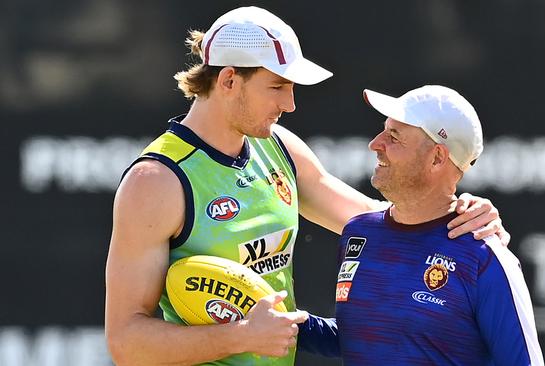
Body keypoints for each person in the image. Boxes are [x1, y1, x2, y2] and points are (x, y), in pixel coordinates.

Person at [104, 6, 511, 366]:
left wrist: (462, 217)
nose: (290, 104)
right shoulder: (156, 181)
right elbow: (126, 344)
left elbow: (388, 225)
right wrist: (240, 336)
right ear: (228, 80)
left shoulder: (280, 148)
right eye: (278, 87)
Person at [300, 85, 544, 365]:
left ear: (437, 157)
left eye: (394, 136)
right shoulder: (360, 233)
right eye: (384, 130)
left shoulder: (485, 258)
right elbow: (364, 337)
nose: (376, 144)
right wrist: (290, 324)